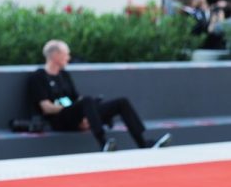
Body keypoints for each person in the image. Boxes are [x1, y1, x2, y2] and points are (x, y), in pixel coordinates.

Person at [29, 40, 172, 152]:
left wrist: (86, 115)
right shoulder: (38, 76)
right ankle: (103, 143)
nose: (69, 58)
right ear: (55, 55)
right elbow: (46, 107)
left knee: (121, 103)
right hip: (59, 119)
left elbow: (76, 98)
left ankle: (144, 143)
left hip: (77, 114)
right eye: (66, 54)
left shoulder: (64, 75)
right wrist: (77, 110)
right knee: (87, 101)